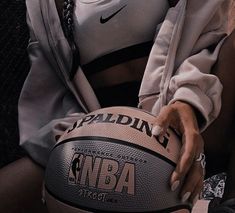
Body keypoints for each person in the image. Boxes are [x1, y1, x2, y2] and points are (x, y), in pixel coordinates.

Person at [0, 0, 234, 212]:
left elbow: (208, 31)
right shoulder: (44, 5)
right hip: (100, 134)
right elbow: (52, 87)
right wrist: (78, 139)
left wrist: (189, 100)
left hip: (188, 113)